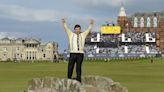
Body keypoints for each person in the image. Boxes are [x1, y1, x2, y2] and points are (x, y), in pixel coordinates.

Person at [62, 18, 94, 82]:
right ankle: (69, 78)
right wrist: (64, 22)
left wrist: (91, 24)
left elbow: (88, 30)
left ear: (80, 30)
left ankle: (78, 79)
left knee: (78, 67)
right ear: (74, 30)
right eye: (76, 29)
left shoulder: (83, 34)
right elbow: (66, 28)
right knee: (70, 67)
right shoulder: (71, 34)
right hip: (73, 53)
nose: (77, 30)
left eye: (78, 29)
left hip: (80, 53)